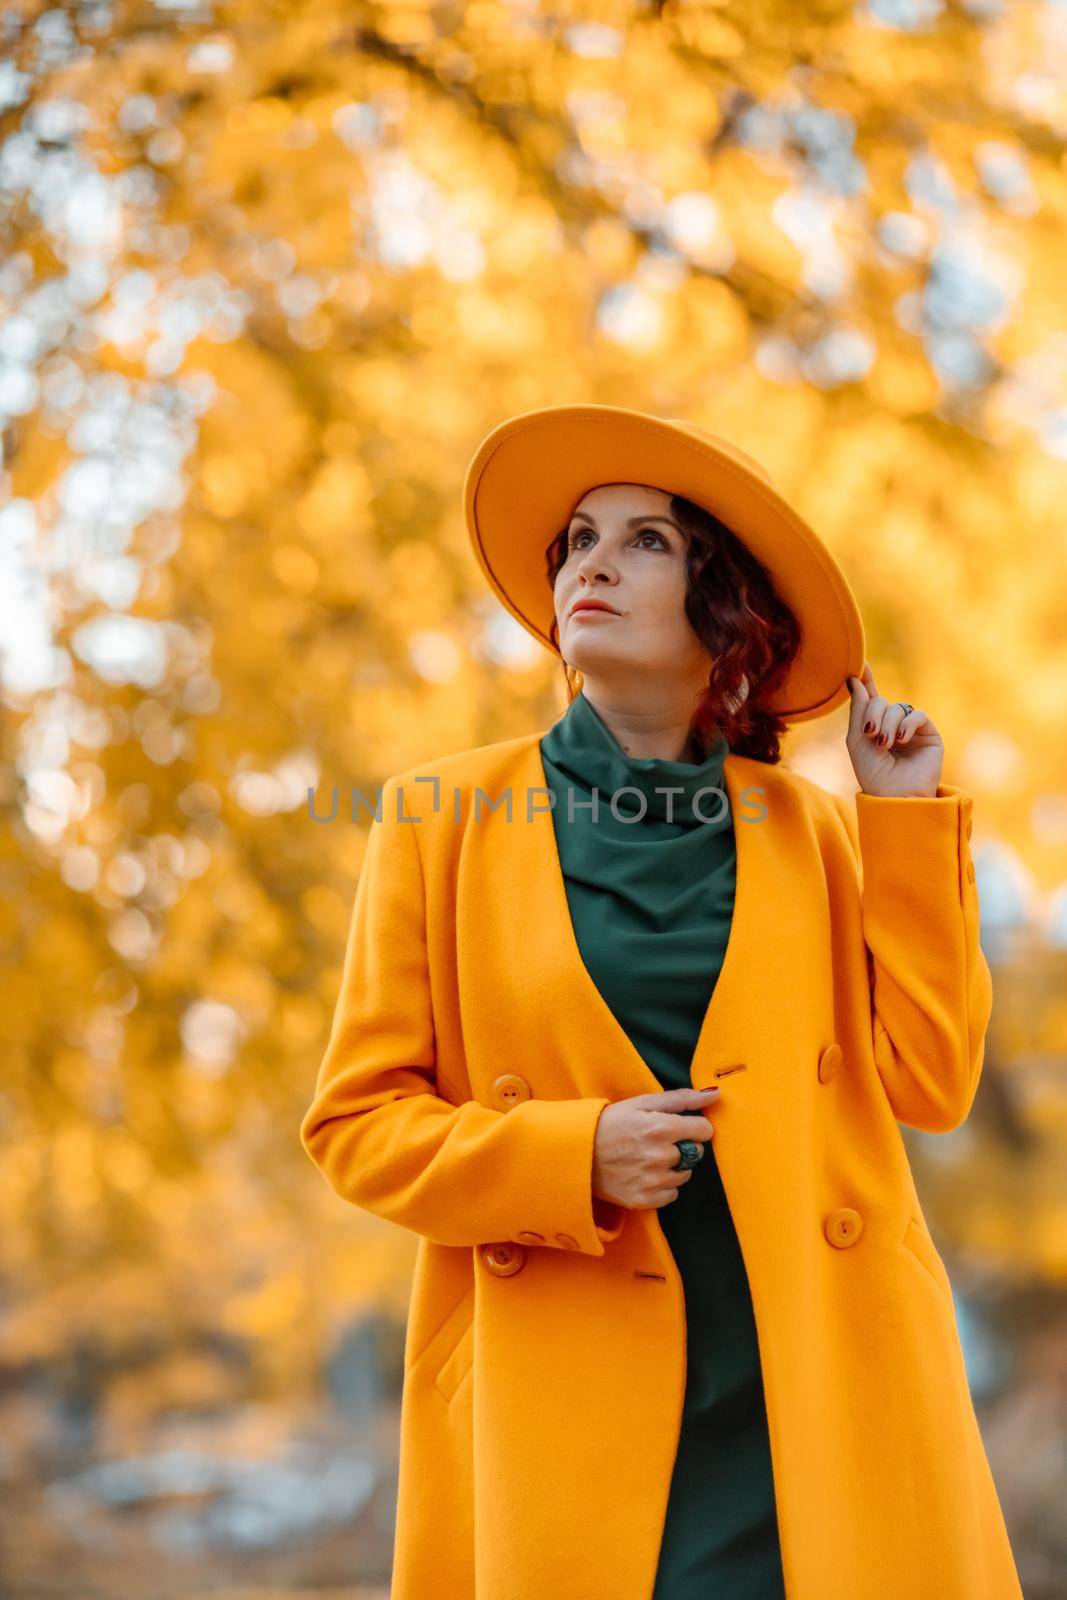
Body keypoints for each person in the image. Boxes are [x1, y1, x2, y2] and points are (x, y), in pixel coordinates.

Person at [301, 405, 1024, 1600]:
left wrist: (898, 814)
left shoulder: (812, 832)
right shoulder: (438, 816)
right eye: (579, 538)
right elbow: (354, 1125)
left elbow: (930, 1084)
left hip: (817, 1389)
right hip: (565, 1395)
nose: (591, 559)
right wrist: (569, 1153)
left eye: (646, 542)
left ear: (721, 612)